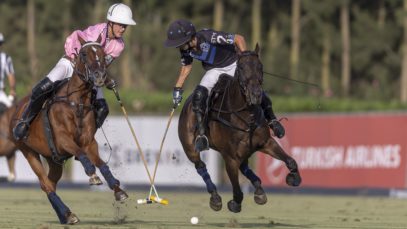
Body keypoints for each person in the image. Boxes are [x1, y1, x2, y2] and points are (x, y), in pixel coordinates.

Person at [13, 3, 137, 141]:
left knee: (103, 109)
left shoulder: (119, 45)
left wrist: (106, 80)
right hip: (71, 63)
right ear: (111, 22)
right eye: (120, 24)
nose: (123, 28)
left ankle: (85, 140)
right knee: (41, 88)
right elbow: (79, 43)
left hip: (90, 76)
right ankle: (24, 122)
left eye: (125, 25)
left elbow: (104, 65)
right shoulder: (97, 32)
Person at [164, 19, 285, 151]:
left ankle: (272, 120)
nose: (177, 47)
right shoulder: (186, 50)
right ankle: (202, 135)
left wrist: (245, 60)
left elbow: (239, 39)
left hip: (233, 63)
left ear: (188, 38)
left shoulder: (208, 36)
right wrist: (177, 88)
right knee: (199, 95)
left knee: (253, 88)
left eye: (179, 43)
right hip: (214, 70)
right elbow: (186, 68)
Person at [0, 33, 16, 111]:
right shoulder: (5, 58)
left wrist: (12, 89)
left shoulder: (5, 58)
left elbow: (11, 75)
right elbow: (10, 75)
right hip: (1, 94)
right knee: (13, 112)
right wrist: (12, 90)